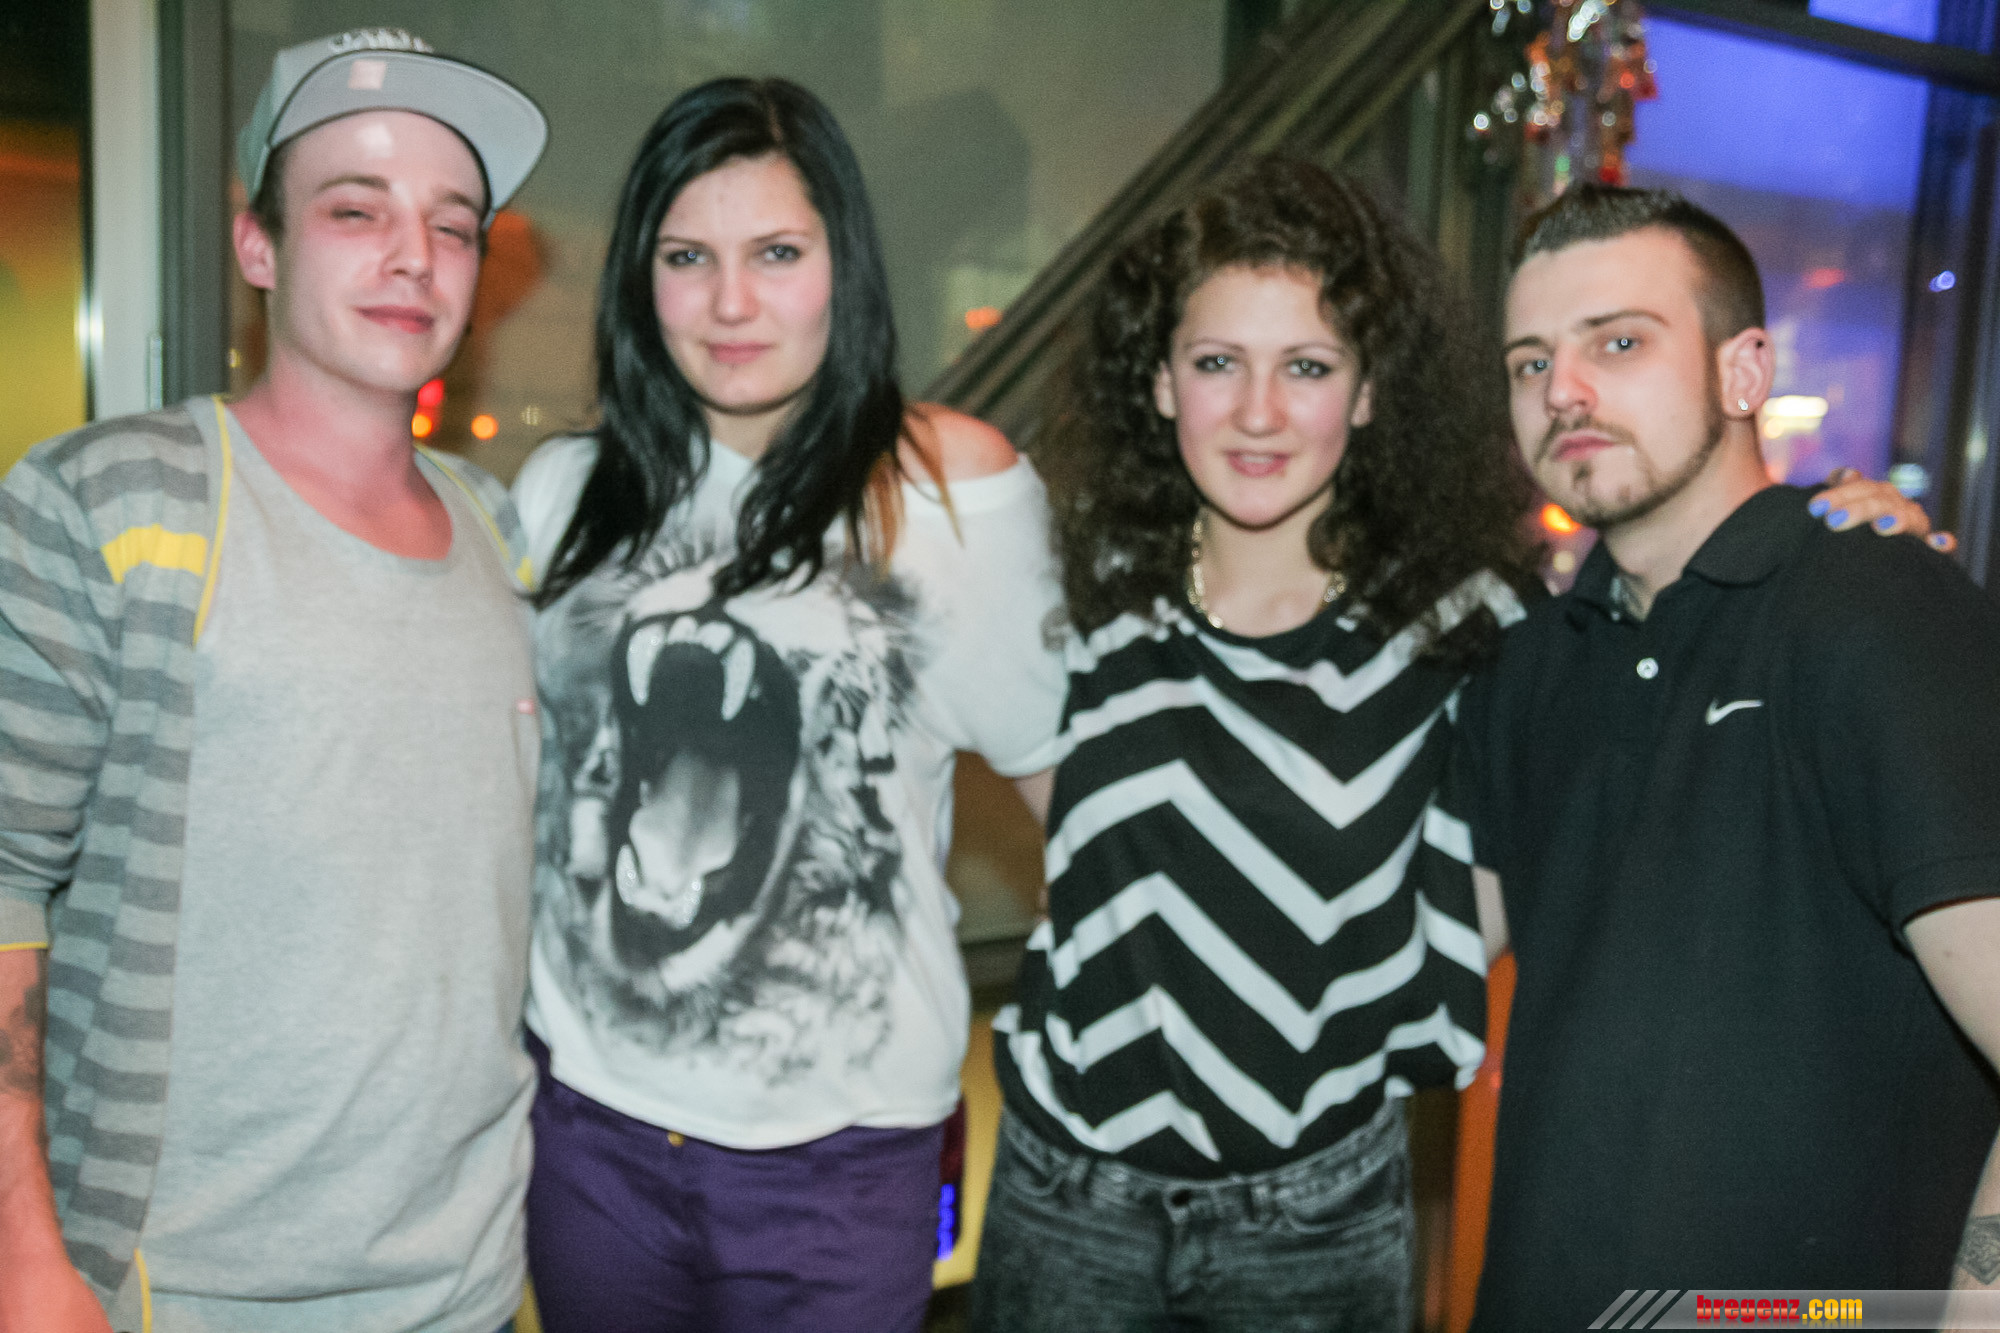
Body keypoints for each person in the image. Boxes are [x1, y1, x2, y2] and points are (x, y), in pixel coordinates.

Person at [966, 159, 1938, 1333]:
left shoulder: (1471, 624)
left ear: (1368, 392)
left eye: (1307, 366)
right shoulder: (1079, 586)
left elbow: (1661, 651)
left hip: (1316, 1219)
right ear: (1161, 382)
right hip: (1063, 1199)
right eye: (1216, 362)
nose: (1258, 411)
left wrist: (1843, 524)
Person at [0, 28, 547, 1333]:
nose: (413, 256)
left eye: (452, 225)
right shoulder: (114, 501)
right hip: (185, 1288)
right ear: (258, 246)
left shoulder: (498, 529)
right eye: (357, 210)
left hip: (467, 1279)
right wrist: (25, 1258)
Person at [510, 77, 1065, 1333]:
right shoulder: (564, 495)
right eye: (686, 257)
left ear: (841, 269)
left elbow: (1076, 802)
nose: (730, 302)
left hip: (842, 1167)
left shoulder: (950, 493)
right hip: (590, 1135)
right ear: (640, 281)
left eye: (776, 253)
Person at [1461, 183, 2000, 1330]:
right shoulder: (1530, 665)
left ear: (1742, 371)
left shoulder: (1875, 612)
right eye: (1527, 361)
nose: (1562, 390)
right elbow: (1411, 967)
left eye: (1617, 341)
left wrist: (1973, 1310)